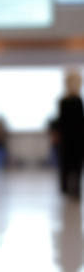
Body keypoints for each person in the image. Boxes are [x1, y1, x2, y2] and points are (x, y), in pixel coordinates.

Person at [57, 67, 84, 199]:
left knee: (71, 165)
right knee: (71, 165)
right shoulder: (68, 102)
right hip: (72, 139)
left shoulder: (72, 101)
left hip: (71, 139)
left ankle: (68, 189)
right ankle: (69, 189)